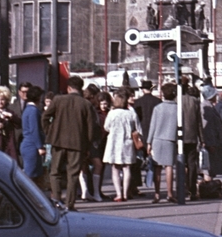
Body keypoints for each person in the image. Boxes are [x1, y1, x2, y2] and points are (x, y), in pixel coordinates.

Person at [43, 77, 96, 209]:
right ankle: (70, 204)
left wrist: (49, 132)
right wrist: (88, 146)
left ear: (68, 88)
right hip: (78, 144)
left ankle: (56, 200)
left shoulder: (58, 100)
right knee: (73, 174)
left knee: (55, 172)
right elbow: (91, 128)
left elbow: (45, 117)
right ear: (81, 89)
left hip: (57, 141)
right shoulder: (86, 104)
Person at [102, 92, 139, 202]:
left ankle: (118, 194)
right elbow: (137, 127)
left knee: (115, 168)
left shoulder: (111, 113)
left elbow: (106, 127)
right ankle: (125, 193)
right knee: (127, 168)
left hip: (114, 142)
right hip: (127, 142)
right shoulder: (131, 114)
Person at [148, 83, 180, 203]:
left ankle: (157, 194)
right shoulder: (177, 108)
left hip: (157, 139)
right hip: (170, 139)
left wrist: (149, 142)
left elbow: (153, 126)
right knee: (169, 166)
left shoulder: (158, 108)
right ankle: (170, 193)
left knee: (157, 167)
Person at [133, 80, 161, 188]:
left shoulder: (137, 102)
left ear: (142, 89)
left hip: (141, 133)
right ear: (151, 89)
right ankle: (152, 180)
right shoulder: (158, 101)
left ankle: (137, 185)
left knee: (140, 159)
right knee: (154, 160)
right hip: (155, 133)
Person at [179, 78, 204, 197]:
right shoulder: (195, 101)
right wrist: (202, 138)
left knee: (180, 164)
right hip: (192, 136)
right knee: (192, 163)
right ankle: (192, 189)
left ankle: (182, 189)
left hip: (178, 137)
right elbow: (199, 122)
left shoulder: (176, 101)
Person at [19, 86, 47, 185]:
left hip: (29, 145)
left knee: (35, 174)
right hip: (32, 145)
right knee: (31, 175)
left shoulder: (28, 109)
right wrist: (40, 146)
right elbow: (34, 130)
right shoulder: (33, 111)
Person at [202, 92, 222, 179]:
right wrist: (210, 143)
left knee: (211, 168)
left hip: (213, 141)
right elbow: (208, 127)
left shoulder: (209, 106)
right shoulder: (207, 108)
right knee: (209, 168)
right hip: (212, 142)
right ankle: (209, 188)